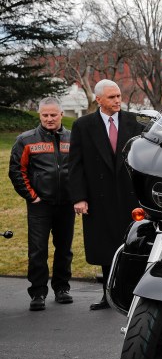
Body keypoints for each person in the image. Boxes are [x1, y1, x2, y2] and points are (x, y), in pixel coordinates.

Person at [69, 79, 145, 310]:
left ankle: (133, 296)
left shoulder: (135, 122)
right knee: (105, 248)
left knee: (133, 244)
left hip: (130, 196)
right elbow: (75, 165)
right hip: (99, 197)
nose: (117, 100)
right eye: (112, 97)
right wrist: (79, 197)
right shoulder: (83, 126)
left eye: (119, 96)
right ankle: (109, 295)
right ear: (98, 99)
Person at [8, 98, 75, 311]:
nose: (49, 119)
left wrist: (77, 196)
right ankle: (37, 292)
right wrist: (32, 196)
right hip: (40, 205)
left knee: (64, 249)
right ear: (39, 115)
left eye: (53, 115)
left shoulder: (73, 139)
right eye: (45, 115)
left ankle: (62, 288)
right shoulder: (25, 140)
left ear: (61, 114)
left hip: (66, 205)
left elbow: (79, 169)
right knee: (37, 250)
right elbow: (17, 170)